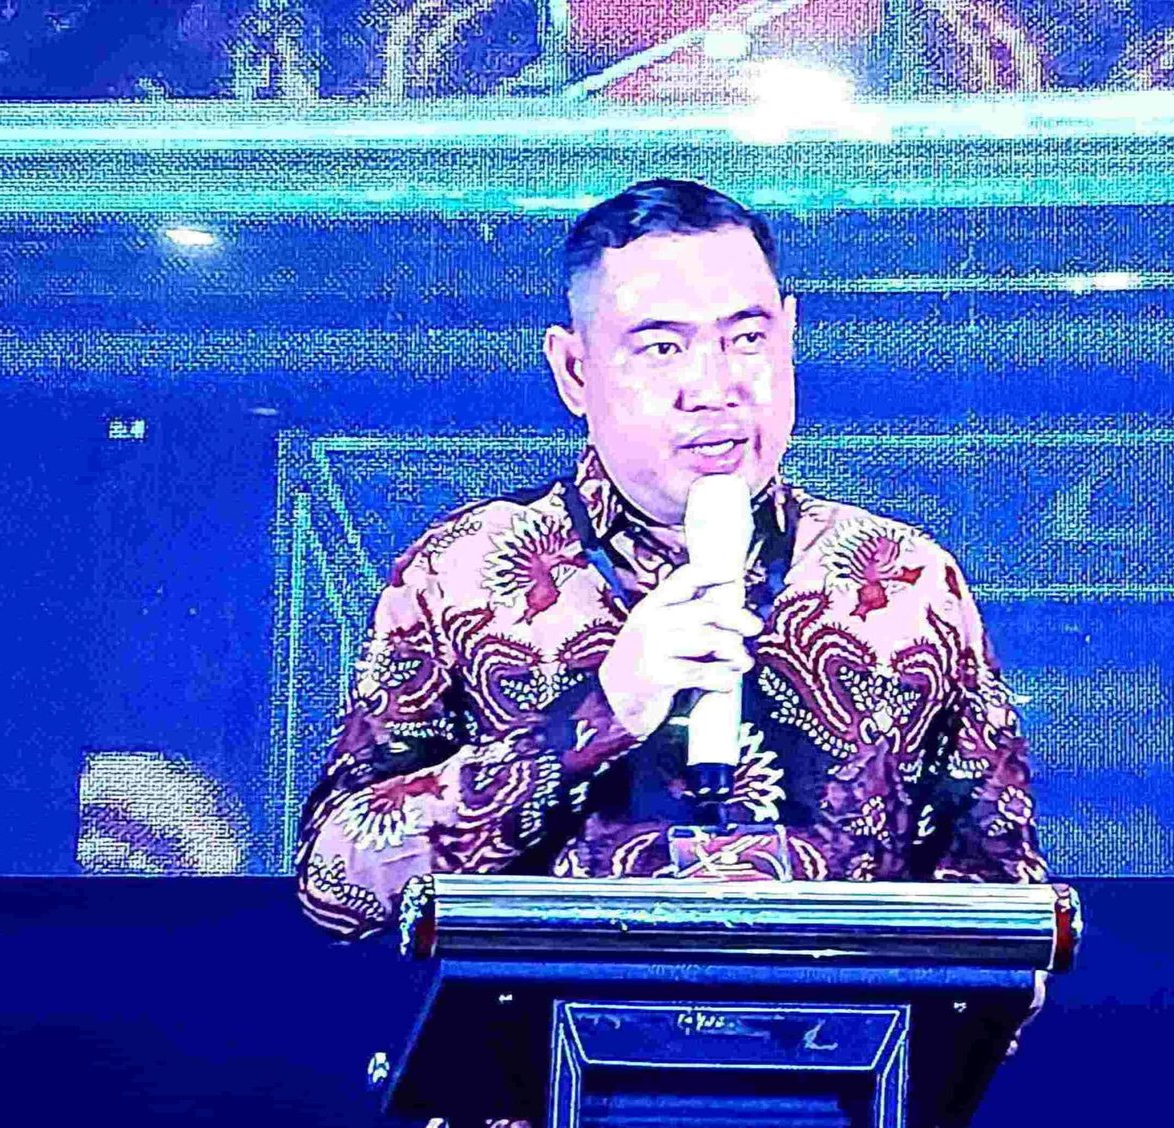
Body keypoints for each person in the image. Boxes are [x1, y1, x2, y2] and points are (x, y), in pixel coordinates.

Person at [295, 178, 1048, 942]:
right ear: (574, 370)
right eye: (662, 347)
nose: (713, 388)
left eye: (747, 339)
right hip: (550, 1020)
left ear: (790, 338)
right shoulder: (461, 574)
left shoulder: (904, 581)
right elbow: (337, 889)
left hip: (836, 1022)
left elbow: (1007, 913)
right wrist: (599, 714)